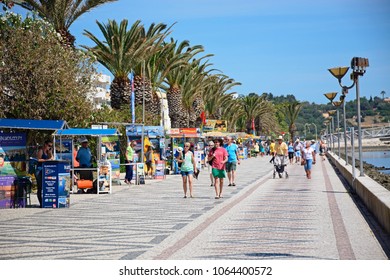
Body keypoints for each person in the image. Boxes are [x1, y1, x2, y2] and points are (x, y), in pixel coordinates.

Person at [36, 140, 54, 207]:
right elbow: (38, 159)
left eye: (51, 146)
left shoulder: (48, 151)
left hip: (46, 170)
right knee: (40, 187)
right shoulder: (41, 151)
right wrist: (46, 160)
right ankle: (41, 202)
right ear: (45, 145)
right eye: (49, 146)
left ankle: (45, 201)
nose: (49, 147)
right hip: (39, 170)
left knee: (45, 186)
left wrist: (50, 152)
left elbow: (52, 158)